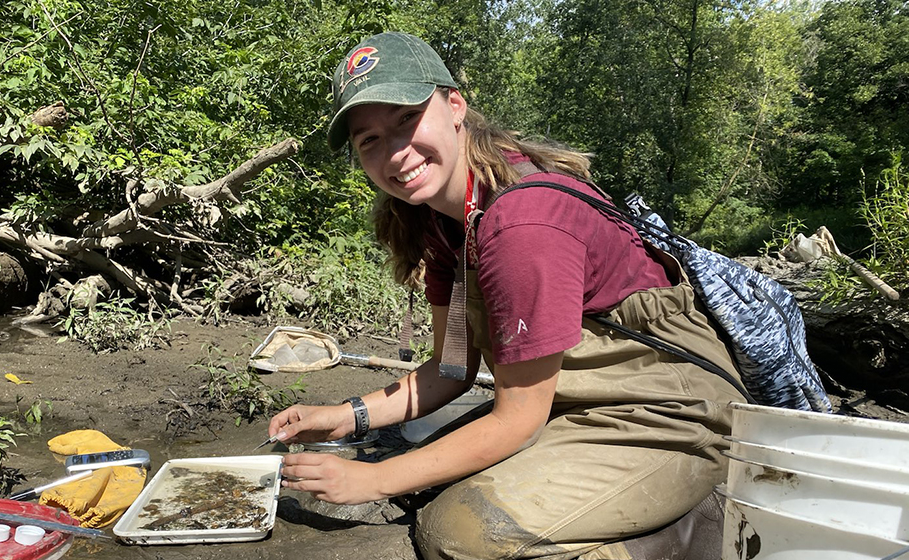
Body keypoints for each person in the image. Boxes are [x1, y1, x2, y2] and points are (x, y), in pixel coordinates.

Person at [267, 31, 746, 560]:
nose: (396, 153)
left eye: (406, 118)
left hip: (670, 417)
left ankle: (692, 534)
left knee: (459, 532)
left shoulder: (522, 222)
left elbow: (517, 417)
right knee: (432, 480)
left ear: (454, 105)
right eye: (370, 140)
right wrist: (345, 416)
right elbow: (452, 370)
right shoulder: (444, 224)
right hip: (575, 408)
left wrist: (373, 479)